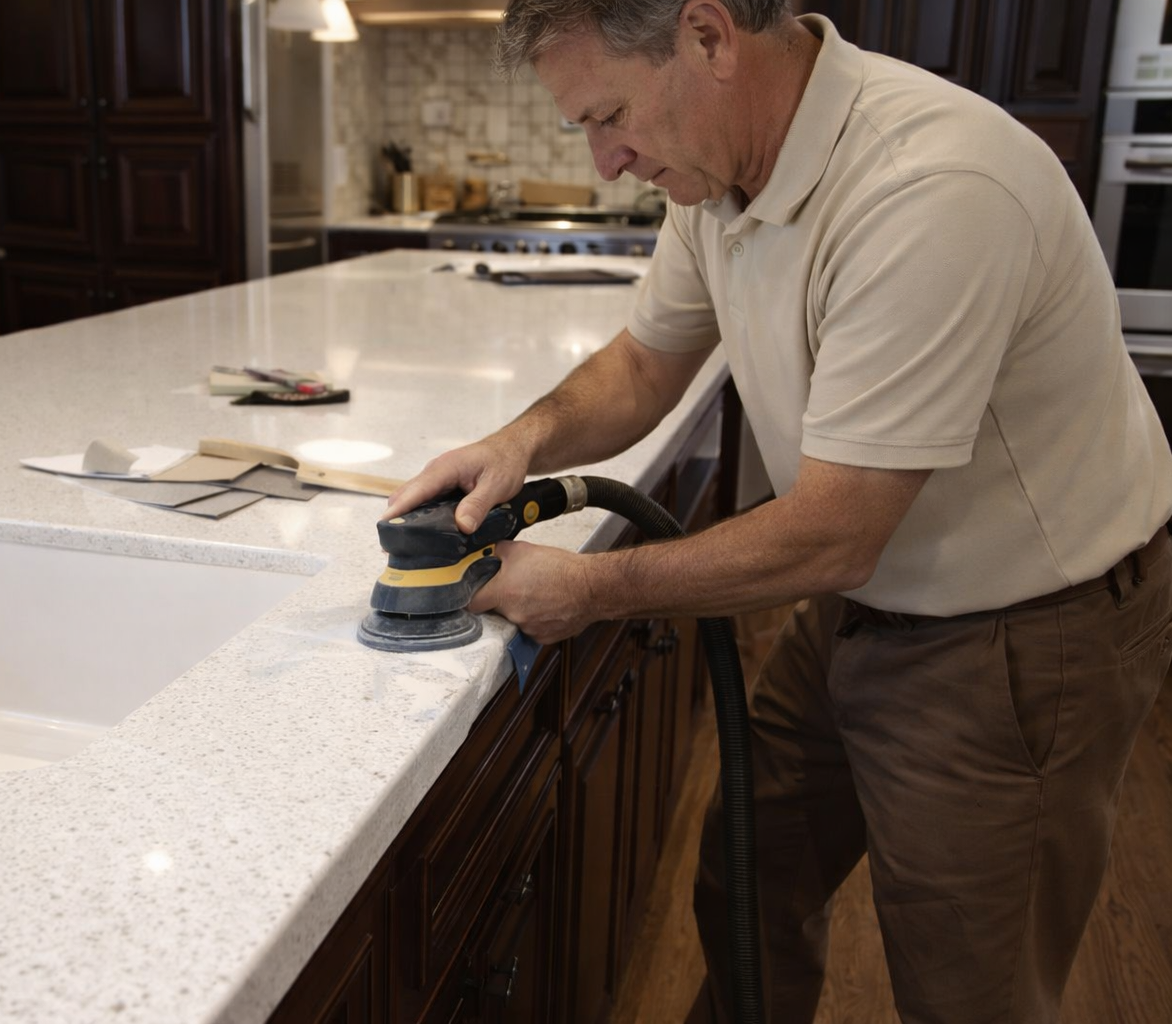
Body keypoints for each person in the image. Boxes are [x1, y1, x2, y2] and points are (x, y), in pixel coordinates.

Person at [381, 1, 1172, 1021]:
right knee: (753, 869)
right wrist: (516, 443)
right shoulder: (717, 175)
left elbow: (839, 529)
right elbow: (640, 366)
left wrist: (592, 587)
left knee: (969, 983)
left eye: (606, 114)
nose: (605, 162)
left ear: (708, 39)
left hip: (1020, 631)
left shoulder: (927, 188)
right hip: (869, 591)